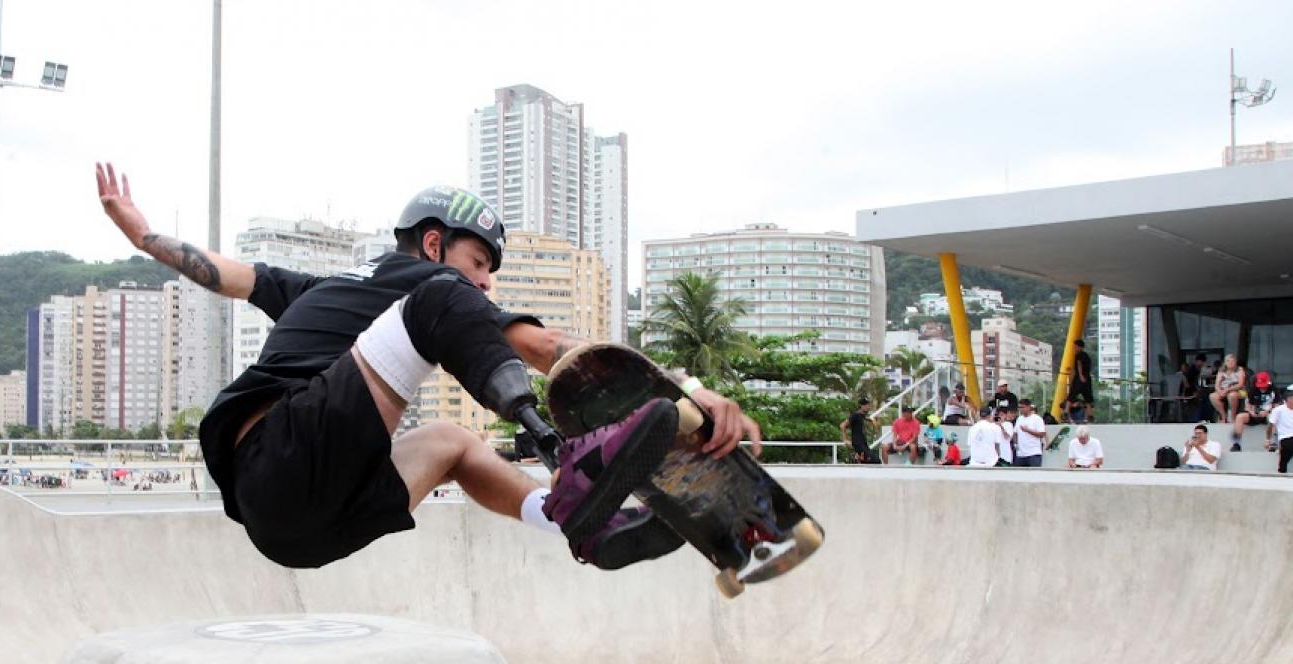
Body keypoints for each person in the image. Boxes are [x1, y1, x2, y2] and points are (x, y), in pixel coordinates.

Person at [96, 163, 760, 571]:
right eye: (479, 266)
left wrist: (145, 237)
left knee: (449, 442)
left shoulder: (328, 291)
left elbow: (226, 274)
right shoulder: (423, 282)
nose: (486, 289)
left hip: (299, 532)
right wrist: (687, 392)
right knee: (441, 299)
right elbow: (548, 347)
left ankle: (571, 520)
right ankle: (566, 457)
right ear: (435, 241)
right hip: (281, 455)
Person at [1232, 371, 1278, 452]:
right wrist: (1251, 412)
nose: (1262, 388)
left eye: (1263, 386)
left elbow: (1277, 405)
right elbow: (1248, 404)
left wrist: (1268, 411)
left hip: (1267, 414)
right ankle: (1236, 444)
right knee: (1239, 417)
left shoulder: (1274, 390)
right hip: (1254, 414)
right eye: (1260, 386)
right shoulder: (1252, 390)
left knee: (1273, 417)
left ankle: (1272, 443)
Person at [1209, 354, 1246, 424]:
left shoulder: (1240, 369)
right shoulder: (1221, 371)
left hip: (1238, 390)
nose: (1230, 363)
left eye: (1232, 361)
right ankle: (1223, 416)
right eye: (1228, 361)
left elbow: (1240, 384)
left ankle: (1233, 416)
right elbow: (1217, 385)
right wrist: (1220, 391)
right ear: (1225, 362)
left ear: (1236, 362)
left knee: (1232, 395)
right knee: (1212, 396)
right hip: (1224, 390)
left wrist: (1228, 390)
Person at [840, 398, 877, 464]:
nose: (868, 407)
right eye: (866, 405)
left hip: (864, 444)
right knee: (875, 461)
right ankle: (856, 457)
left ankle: (857, 458)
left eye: (868, 405)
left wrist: (872, 421)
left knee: (870, 462)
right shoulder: (855, 415)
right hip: (858, 444)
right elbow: (842, 425)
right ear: (861, 406)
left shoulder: (864, 416)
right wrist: (845, 440)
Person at [1066, 339, 1094, 424]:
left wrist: (1080, 375)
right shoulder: (1086, 355)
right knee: (1088, 397)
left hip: (1080, 378)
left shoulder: (1079, 355)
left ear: (1079, 346)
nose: (1074, 348)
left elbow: (1079, 365)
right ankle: (1090, 415)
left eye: (1075, 346)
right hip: (1086, 378)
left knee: (1072, 395)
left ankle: (1066, 411)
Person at [1013, 398, 1046, 467]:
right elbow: (1015, 432)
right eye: (1019, 407)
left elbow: (1042, 434)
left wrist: (1028, 430)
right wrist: (1016, 444)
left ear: (1028, 407)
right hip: (1021, 454)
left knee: (1034, 475)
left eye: (1023, 407)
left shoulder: (1037, 419)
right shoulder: (1019, 419)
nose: (1021, 409)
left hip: (1033, 453)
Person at [1271, 387, 1293, 474]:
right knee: (1288, 447)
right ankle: (1282, 470)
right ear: (1287, 400)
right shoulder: (1278, 410)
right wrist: (1271, 441)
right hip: (1285, 436)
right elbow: (1272, 425)